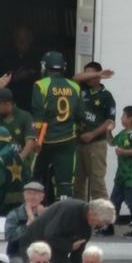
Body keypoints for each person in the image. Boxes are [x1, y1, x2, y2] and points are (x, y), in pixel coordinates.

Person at [31, 51, 83, 201]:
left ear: (44, 66)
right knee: (65, 182)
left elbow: (38, 117)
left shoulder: (40, 85)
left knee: (36, 177)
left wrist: (36, 140)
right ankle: (63, 214)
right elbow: (80, 115)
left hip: (45, 140)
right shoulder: (75, 86)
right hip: (68, 139)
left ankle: (35, 213)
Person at [20, 197, 115, 263]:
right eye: (103, 222)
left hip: (57, 248)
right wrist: (69, 246)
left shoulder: (88, 227)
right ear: (93, 214)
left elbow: (78, 253)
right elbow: (50, 234)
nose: (102, 226)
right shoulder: (70, 210)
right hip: (35, 243)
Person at [74, 61, 117, 202]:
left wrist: (92, 134)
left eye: (92, 74)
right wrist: (96, 73)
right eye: (86, 74)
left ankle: (104, 219)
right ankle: (78, 215)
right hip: (78, 142)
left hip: (96, 144)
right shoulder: (80, 89)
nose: (88, 77)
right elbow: (75, 78)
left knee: (97, 182)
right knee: (77, 183)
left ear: (99, 77)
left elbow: (109, 121)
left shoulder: (106, 96)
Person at [110, 105, 132, 237]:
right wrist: (108, 131)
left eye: (123, 116)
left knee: (131, 201)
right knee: (114, 201)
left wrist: (123, 151)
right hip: (121, 175)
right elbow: (112, 142)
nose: (121, 118)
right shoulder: (123, 133)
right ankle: (109, 226)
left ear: (130, 119)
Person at [4, 181, 47, 263]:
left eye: (35, 194)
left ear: (42, 197)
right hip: (18, 254)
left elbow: (51, 237)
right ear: (24, 196)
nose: (32, 197)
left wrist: (43, 219)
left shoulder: (47, 214)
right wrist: (27, 225)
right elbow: (9, 237)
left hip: (41, 254)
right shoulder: (14, 214)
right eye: (29, 194)